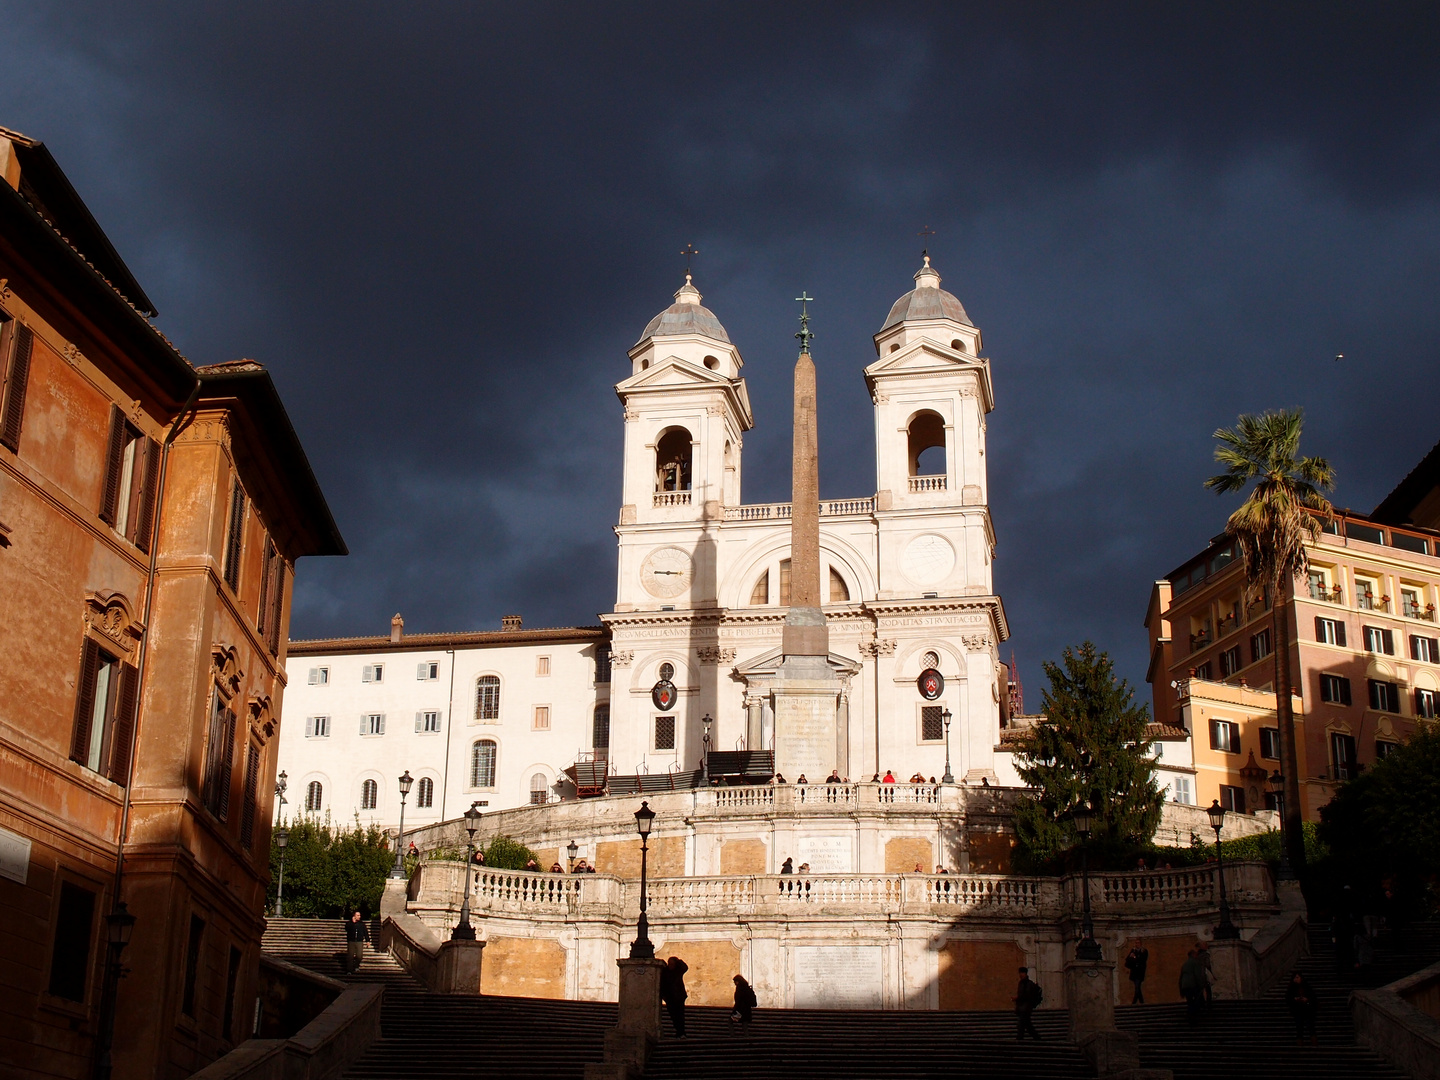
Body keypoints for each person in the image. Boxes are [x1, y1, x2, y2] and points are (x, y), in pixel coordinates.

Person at [1285, 972, 1318, 1045]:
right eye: (1295, 978)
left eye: (1297, 977)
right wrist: (1295, 999)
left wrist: (1307, 999)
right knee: (1299, 1028)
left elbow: (1313, 998)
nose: (1296, 979)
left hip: (1307, 1010)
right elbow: (1288, 999)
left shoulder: (1306, 987)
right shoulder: (1291, 989)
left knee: (1311, 1027)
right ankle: (1300, 1044)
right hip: (1298, 1010)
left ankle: (1314, 1043)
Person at [660, 956, 689, 1037]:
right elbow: (662, 984)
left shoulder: (678, 971)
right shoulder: (665, 972)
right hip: (670, 998)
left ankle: (681, 1032)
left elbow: (685, 967)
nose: (670, 965)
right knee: (673, 1016)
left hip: (679, 997)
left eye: (672, 964)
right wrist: (664, 996)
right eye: (669, 964)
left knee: (680, 1015)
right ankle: (679, 1031)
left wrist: (679, 961)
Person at [1013, 967, 1042, 1040]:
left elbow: (1026, 995)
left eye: (1022, 973)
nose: (1021, 974)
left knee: (1022, 1025)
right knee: (1028, 1025)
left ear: (1025, 973)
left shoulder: (1028, 983)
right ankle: (1037, 1039)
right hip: (1023, 1007)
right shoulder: (1022, 983)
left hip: (1026, 1008)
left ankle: (1019, 1039)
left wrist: (1017, 998)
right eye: (1020, 973)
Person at [1179, 950, 1205, 1021]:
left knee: (1189, 1001)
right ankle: (1193, 1016)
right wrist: (1201, 984)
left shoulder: (1184, 964)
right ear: (1193, 955)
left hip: (1185, 985)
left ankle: (1190, 1015)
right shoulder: (1195, 962)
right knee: (1196, 999)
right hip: (1193, 984)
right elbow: (1197, 975)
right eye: (1196, 954)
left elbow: (1181, 977)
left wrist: (1181, 988)